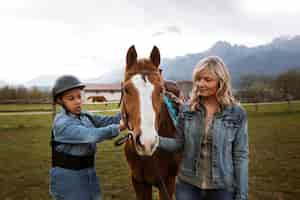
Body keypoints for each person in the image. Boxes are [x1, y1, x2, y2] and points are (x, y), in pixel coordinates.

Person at [158, 56, 248, 200]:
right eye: (198, 79)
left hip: (222, 188)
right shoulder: (187, 109)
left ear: (221, 81)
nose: (201, 84)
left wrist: (242, 194)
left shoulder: (236, 113)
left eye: (207, 80)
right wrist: (154, 140)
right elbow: (178, 144)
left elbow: (240, 155)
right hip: (188, 187)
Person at [49, 75, 126, 200]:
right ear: (60, 101)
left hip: (89, 175)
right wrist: (119, 128)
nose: (78, 101)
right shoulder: (62, 124)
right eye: (71, 98)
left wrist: (130, 107)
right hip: (68, 180)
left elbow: (109, 120)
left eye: (79, 96)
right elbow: (91, 135)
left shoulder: (85, 116)